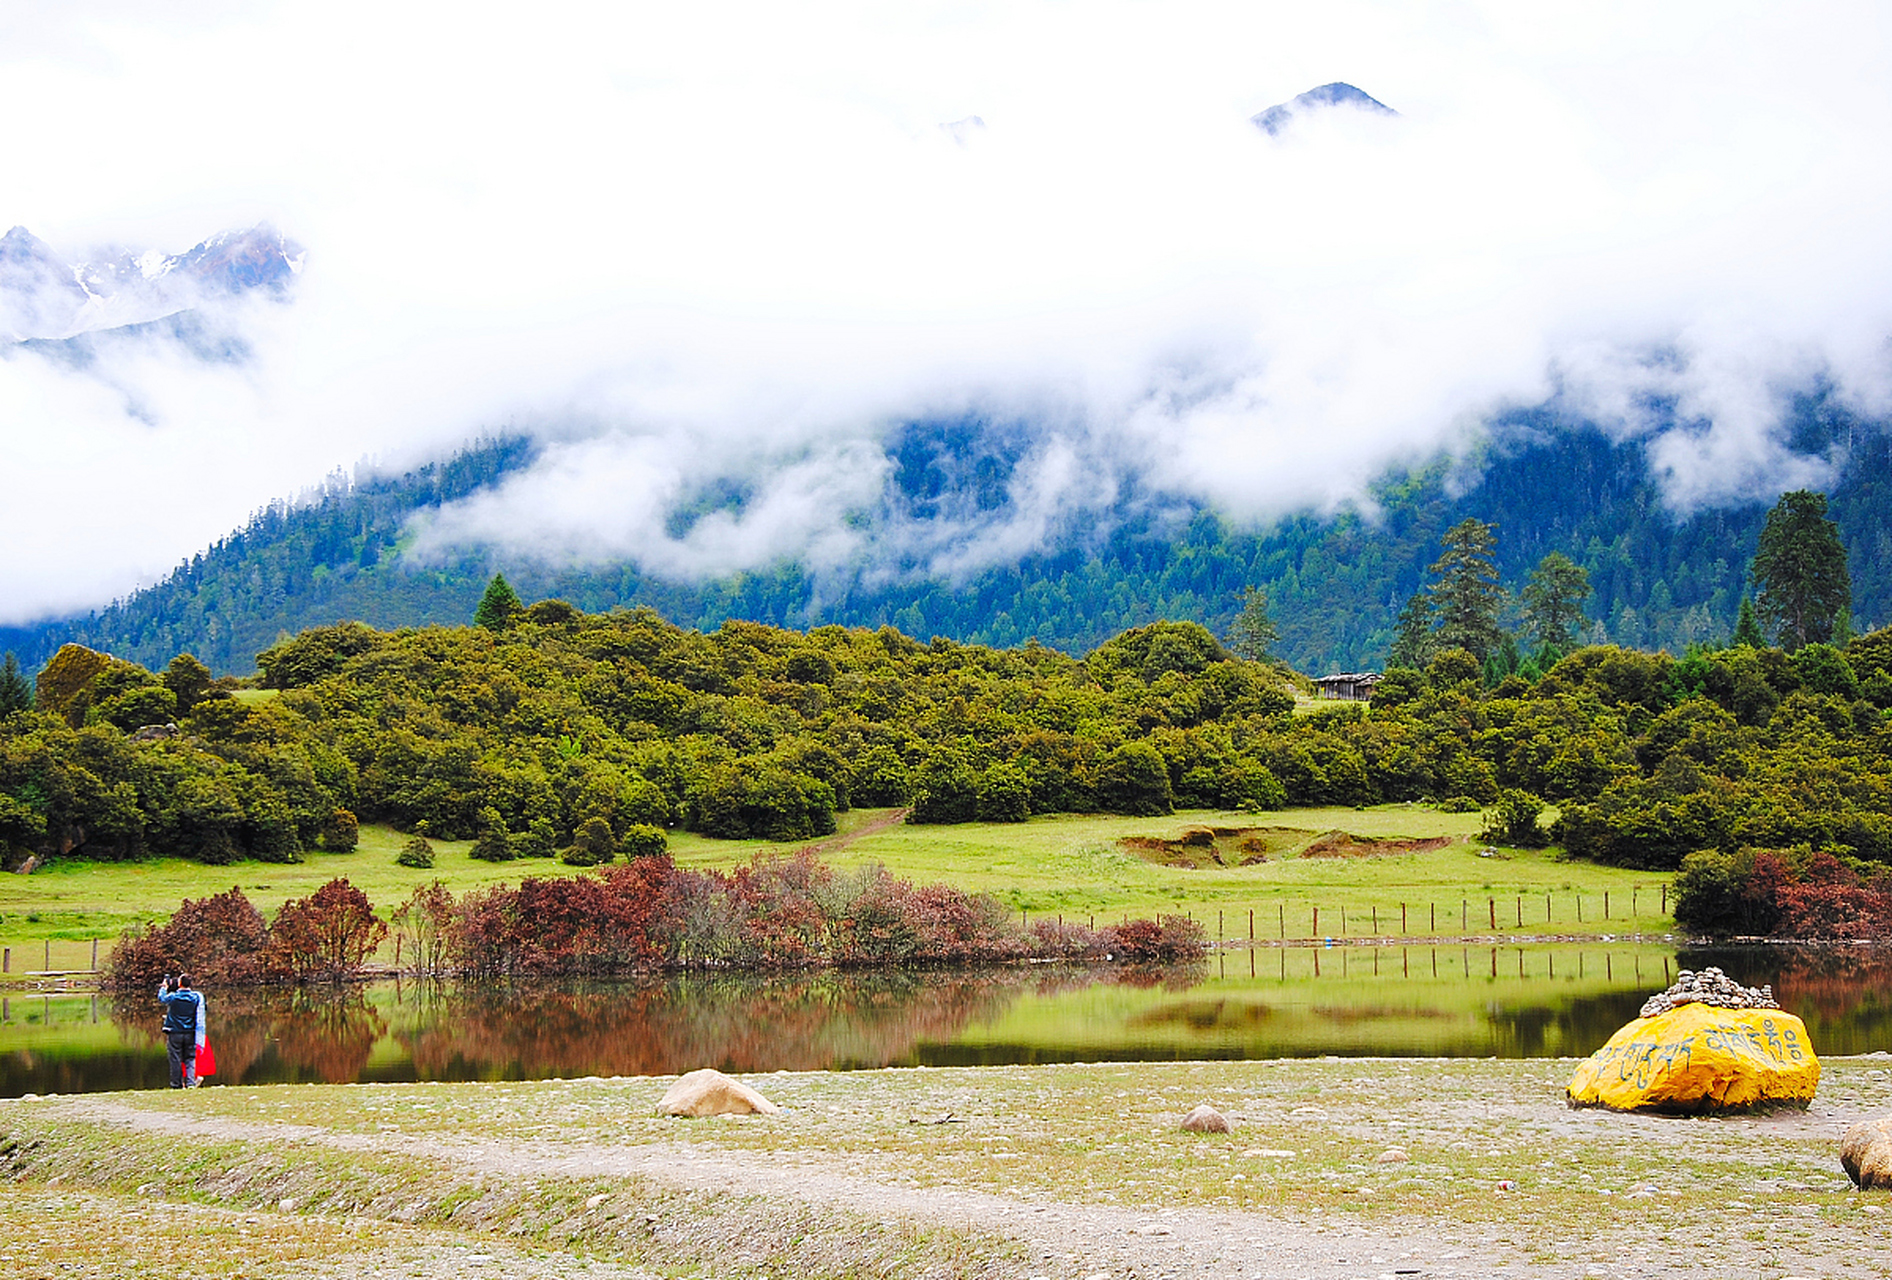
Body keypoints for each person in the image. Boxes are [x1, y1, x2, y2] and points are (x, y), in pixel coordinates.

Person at [157, 973, 207, 1088]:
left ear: (179, 984)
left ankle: (176, 1084)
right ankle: (190, 1082)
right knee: (190, 1058)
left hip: (175, 1032)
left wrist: (164, 987)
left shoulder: (174, 997)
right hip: (190, 1033)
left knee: (175, 1058)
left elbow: (162, 998)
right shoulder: (195, 998)